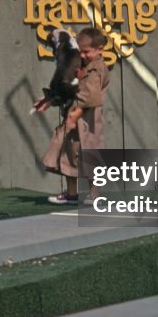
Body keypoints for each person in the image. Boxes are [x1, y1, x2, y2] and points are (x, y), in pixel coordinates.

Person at [34, 26, 110, 204]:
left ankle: (94, 194)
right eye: (80, 52)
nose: (82, 56)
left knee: (91, 155)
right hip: (72, 120)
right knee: (69, 154)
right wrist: (50, 99)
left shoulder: (97, 68)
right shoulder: (78, 66)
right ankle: (71, 193)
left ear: (100, 50)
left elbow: (91, 97)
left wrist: (75, 114)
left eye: (86, 52)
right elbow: (67, 88)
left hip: (89, 121)